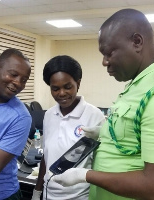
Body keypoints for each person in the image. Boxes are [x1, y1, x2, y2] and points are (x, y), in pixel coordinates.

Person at [51, 9, 154, 200]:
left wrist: (85, 175)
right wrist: (104, 133)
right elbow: (135, 133)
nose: (104, 62)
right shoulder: (139, 84)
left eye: (109, 53)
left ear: (137, 42)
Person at [31, 55, 105, 200]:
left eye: (68, 87)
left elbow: (101, 163)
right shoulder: (49, 115)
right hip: (48, 194)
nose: (62, 93)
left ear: (78, 83)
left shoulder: (94, 116)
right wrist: (37, 191)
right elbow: (46, 157)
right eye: (55, 89)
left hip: (80, 196)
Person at [0, 48, 32, 199]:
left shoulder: (20, 117)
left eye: (24, 79)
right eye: (13, 74)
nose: (17, 83)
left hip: (0, 196)